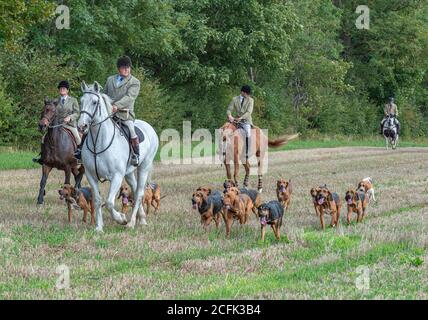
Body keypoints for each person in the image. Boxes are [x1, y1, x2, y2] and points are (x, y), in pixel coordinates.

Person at [75, 55, 141, 166]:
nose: (126, 69)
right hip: (108, 114)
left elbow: (130, 97)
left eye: (128, 67)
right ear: (119, 68)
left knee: (131, 130)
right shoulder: (110, 79)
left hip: (124, 114)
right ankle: (81, 151)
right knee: (90, 127)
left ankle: (135, 155)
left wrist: (116, 105)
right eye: (124, 67)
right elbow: (104, 94)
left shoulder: (134, 82)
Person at [33, 80, 80, 165]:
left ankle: (79, 156)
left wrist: (70, 117)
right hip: (57, 125)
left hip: (69, 124)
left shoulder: (73, 100)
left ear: (67, 90)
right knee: (44, 138)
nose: (62, 90)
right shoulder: (55, 101)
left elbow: (77, 113)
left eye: (64, 88)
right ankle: (42, 156)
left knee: (78, 138)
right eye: (61, 88)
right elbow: (50, 112)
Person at [226, 85, 254, 160]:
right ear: (242, 92)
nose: (248, 95)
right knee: (226, 130)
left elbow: (249, 112)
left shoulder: (251, 100)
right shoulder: (234, 99)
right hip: (235, 120)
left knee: (248, 133)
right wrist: (230, 116)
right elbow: (229, 109)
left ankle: (247, 152)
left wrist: (241, 118)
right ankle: (224, 150)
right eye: (247, 94)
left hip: (246, 121)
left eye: (248, 94)